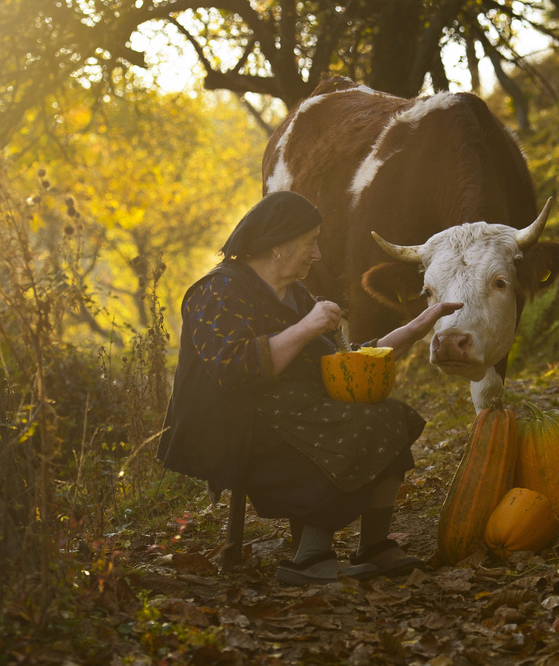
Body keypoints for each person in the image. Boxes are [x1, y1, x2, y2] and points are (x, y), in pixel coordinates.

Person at [157, 191, 461, 585]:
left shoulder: (296, 295)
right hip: (232, 425)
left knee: (390, 414)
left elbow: (349, 361)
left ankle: (375, 544)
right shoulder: (217, 290)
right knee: (350, 426)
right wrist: (306, 328)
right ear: (280, 246)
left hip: (289, 410)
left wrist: (421, 324)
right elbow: (232, 370)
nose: (317, 254)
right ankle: (309, 558)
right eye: (311, 242)